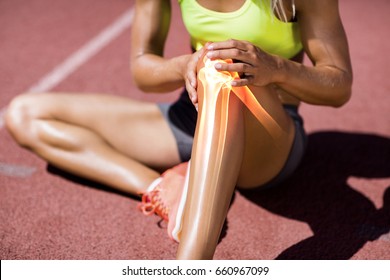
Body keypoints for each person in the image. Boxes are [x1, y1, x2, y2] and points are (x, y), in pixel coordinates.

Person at [4, 0, 352, 259]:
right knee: (24, 114)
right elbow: (142, 70)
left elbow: (339, 85)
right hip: (192, 117)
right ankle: (164, 189)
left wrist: (275, 68)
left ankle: (191, 266)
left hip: (268, 137)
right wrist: (186, 64)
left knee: (224, 71)